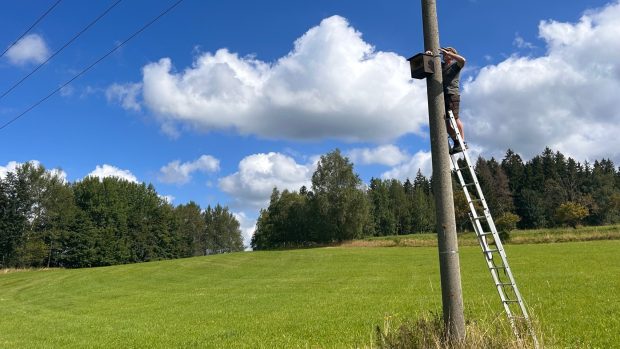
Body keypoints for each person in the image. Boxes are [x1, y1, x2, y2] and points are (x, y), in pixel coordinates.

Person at [440, 47, 467, 154]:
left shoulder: (455, 65)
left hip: (452, 93)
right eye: (444, 53)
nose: (445, 54)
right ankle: (456, 141)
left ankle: (462, 142)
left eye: (448, 52)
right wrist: (429, 53)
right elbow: (432, 61)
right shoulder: (441, 66)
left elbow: (463, 60)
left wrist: (450, 54)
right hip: (442, 96)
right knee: (445, 124)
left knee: (455, 118)